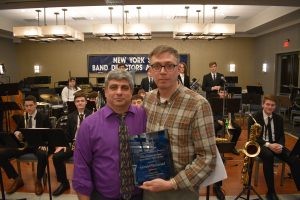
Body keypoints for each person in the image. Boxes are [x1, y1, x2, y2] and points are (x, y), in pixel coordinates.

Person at [141, 45, 217, 200]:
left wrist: (172, 183)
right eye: (156, 66)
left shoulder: (198, 104)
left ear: (178, 69)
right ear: (151, 70)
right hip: (150, 184)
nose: (162, 71)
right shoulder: (147, 99)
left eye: (169, 65)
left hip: (182, 190)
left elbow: (207, 158)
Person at [72, 69, 147, 200]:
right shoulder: (89, 125)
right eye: (113, 87)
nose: (119, 92)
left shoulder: (144, 117)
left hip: (141, 195)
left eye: (124, 87)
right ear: (105, 91)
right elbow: (81, 168)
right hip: (103, 196)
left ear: (131, 91)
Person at [248, 94, 300, 200]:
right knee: (268, 155)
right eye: (267, 104)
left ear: (275, 107)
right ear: (263, 105)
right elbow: (253, 138)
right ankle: (271, 192)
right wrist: (269, 145)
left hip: (276, 145)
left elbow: (281, 136)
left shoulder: (279, 118)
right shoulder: (253, 118)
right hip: (261, 144)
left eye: (272, 105)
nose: (270, 107)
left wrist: (280, 145)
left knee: (294, 159)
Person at [0, 95, 50, 195]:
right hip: (25, 145)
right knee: (1, 155)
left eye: (31, 105)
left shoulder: (44, 117)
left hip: (39, 145)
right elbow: (17, 130)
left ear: (35, 105)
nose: (28, 108)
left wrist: (45, 144)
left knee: (42, 154)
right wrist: (16, 133)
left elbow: (49, 134)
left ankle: (38, 180)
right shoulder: (23, 117)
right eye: (26, 106)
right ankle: (17, 179)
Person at [52, 92, 92, 196]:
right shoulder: (70, 116)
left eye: (82, 101)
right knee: (56, 157)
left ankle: (91, 184)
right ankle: (64, 183)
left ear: (86, 102)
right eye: (77, 101)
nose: (80, 103)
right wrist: (64, 145)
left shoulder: (92, 115)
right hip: (73, 144)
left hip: (87, 145)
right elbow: (68, 135)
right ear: (75, 103)